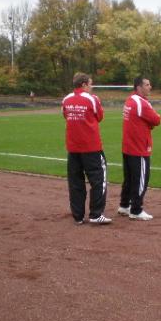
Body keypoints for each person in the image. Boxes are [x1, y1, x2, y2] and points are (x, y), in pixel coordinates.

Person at [62, 73, 111, 225]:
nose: (92, 86)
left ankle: (78, 216)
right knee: (98, 179)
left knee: (75, 181)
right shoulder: (92, 99)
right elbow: (100, 116)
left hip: (73, 147)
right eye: (90, 84)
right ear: (83, 84)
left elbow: (65, 116)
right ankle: (96, 214)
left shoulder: (66, 99)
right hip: (91, 147)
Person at [118, 77, 161, 221]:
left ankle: (124, 205)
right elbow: (156, 120)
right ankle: (136, 210)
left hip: (128, 146)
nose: (150, 87)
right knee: (141, 179)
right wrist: (151, 122)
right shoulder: (141, 102)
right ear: (139, 87)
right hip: (139, 147)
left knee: (129, 178)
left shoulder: (130, 100)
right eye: (147, 85)